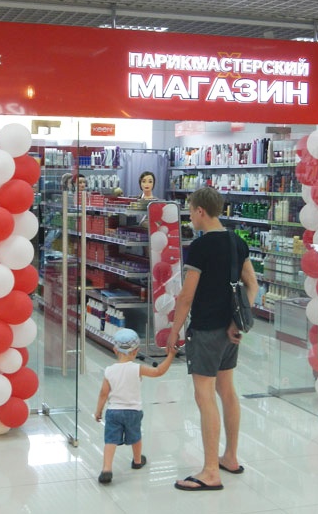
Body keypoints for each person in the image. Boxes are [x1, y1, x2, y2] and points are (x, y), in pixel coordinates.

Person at [166, 187, 259, 491]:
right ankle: (230, 457)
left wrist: (174, 330)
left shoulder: (201, 246)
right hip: (230, 331)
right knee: (227, 391)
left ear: (200, 211)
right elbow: (252, 285)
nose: (190, 217)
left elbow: (186, 295)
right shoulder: (237, 241)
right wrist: (236, 322)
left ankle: (209, 472)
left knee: (204, 395)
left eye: (190, 211)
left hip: (206, 329)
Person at [94, 328, 176, 485]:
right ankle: (137, 461)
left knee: (110, 440)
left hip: (113, 412)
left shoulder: (109, 371)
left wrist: (98, 411)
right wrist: (171, 355)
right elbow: (158, 371)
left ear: (115, 349)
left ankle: (106, 469)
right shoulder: (137, 368)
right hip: (133, 411)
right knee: (136, 436)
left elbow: (103, 393)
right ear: (136, 351)